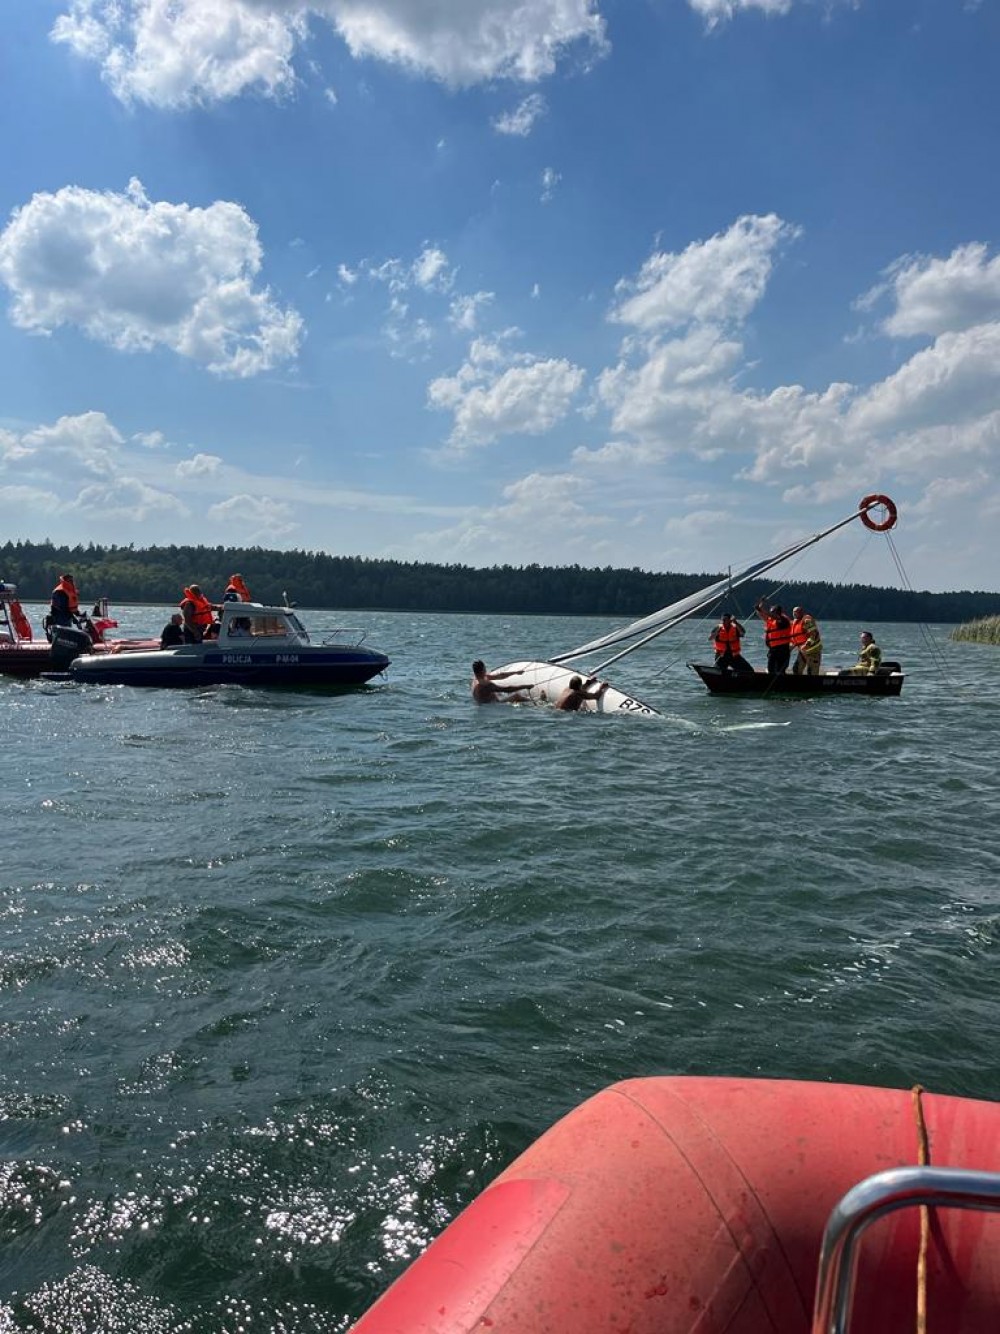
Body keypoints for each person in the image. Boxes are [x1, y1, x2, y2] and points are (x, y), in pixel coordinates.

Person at [754, 600, 792, 675]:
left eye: (772, 612)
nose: (770, 614)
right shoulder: (770, 620)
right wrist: (759, 608)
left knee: (780, 669)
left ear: (778, 612)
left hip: (783, 648)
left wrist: (762, 610)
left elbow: (773, 616)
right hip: (773, 648)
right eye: (770, 612)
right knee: (771, 668)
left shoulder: (783, 619)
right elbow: (762, 615)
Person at [790, 606, 823, 675]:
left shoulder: (807, 620)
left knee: (812, 671)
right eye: (794, 612)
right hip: (802, 651)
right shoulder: (795, 622)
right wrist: (789, 648)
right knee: (796, 669)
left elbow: (813, 634)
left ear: (802, 612)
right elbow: (794, 639)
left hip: (813, 651)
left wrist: (806, 645)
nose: (795, 614)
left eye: (797, 612)